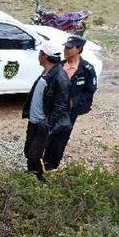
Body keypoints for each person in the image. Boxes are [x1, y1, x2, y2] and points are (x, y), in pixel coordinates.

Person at [43, 36, 97, 171]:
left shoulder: (87, 69)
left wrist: (75, 101)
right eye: (65, 47)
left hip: (70, 112)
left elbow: (90, 91)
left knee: (61, 138)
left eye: (69, 48)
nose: (65, 50)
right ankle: (42, 161)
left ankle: (52, 166)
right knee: (48, 133)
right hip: (53, 108)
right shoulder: (59, 65)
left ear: (79, 49)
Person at [22, 41, 71, 181]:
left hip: (42, 123)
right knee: (29, 150)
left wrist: (47, 124)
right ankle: (31, 176)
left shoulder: (59, 77)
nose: (38, 55)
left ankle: (41, 182)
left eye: (40, 53)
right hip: (35, 121)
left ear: (44, 56)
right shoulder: (48, 71)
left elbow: (61, 106)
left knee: (35, 154)